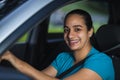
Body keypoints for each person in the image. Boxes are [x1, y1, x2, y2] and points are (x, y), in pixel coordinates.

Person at [0, 9, 114, 80]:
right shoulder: (62, 57)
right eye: (66, 30)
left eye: (77, 29)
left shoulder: (102, 62)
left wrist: (15, 61)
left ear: (90, 31)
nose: (70, 35)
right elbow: (38, 77)